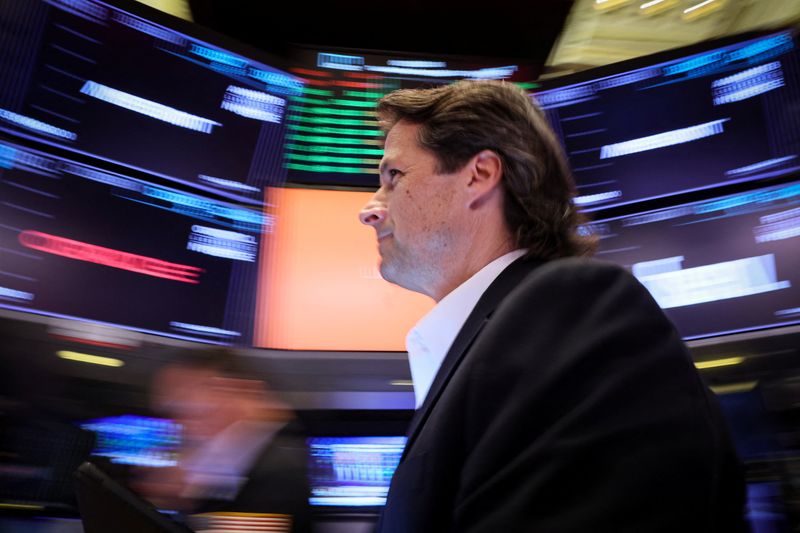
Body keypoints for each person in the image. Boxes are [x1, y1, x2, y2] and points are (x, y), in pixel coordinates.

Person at [358, 80, 748, 532]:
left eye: (394, 178)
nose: (369, 210)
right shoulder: (496, 342)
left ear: (479, 175)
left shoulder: (573, 307)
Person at [134, 349, 312, 533]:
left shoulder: (279, 467)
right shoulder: (231, 453)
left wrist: (182, 501)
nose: (182, 425)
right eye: (174, 411)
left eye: (190, 409)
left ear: (237, 390)